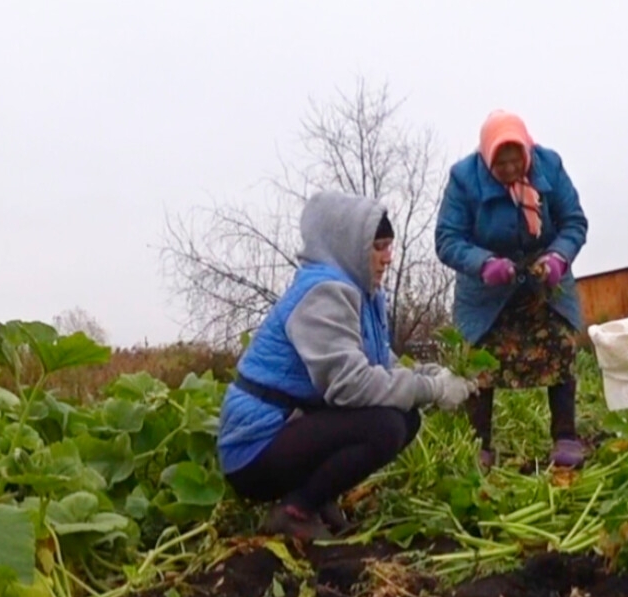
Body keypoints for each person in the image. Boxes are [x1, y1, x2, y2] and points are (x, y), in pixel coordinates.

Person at [218, 190, 477, 541]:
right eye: (378, 247)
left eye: (389, 246)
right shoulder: (323, 294)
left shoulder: (364, 294)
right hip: (254, 445)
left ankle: (316, 496)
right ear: (350, 246)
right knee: (384, 425)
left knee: (405, 417)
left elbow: (382, 363)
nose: (387, 258)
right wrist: (432, 390)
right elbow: (351, 385)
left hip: (292, 427)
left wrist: (430, 375)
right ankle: (296, 510)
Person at [435, 109, 590, 470]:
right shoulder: (463, 179)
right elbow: (447, 239)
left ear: (527, 151)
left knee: (560, 346)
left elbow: (574, 223)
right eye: (499, 162)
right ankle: (479, 443)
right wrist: (484, 263)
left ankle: (565, 436)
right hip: (488, 290)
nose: (508, 168)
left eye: (514, 159)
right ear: (486, 158)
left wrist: (558, 258)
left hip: (544, 281)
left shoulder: (549, 166)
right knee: (480, 361)